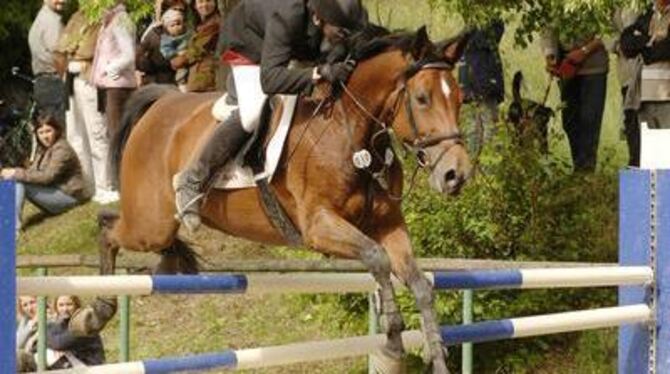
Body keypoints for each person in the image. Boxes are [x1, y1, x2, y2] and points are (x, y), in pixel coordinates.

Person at [173, 0, 369, 232]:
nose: (344, 37)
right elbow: (271, 79)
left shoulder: (336, 17)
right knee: (252, 113)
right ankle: (192, 180)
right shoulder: (287, 16)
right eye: (340, 33)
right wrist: (318, 73)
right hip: (248, 45)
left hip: (291, 43)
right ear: (318, 19)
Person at [57, 9, 118, 204]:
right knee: (77, 135)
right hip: (72, 79)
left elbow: (95, 50)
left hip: (89, 78)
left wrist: (76, 57)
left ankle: (104, 185)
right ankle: (88, 186)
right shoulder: (77, 16)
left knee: (97, 132)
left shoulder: (106, 16)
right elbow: (61, 50)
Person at [0, 115, 91, 231]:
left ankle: (12, 227)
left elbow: (48, 177)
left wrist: (16, 172)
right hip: (53, 193)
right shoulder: (42, 150)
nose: (45, 136)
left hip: (69, 198)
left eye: (48, 131)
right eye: (41, 133)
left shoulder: (62, 148)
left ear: (57, 131)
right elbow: (32, 173)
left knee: (19, 180)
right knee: (14, 180)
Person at [542, 28, 609, 172]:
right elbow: (548, 27)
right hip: (567, 66)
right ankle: (579, 167)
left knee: (589, 120)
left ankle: (586, 171)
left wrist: (584, 51)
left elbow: (607, 30)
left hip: (593, 68)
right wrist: (550, 54)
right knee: (569, 121)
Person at [91, 0, 137, 143]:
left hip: (118, 87)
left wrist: (109, 68)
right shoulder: (109, 20)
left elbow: (129, 55)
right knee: (112, 135)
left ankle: (121, 165)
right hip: (109, 85)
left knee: (118, 137)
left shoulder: (120, 20)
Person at [621, 0, 670, 134]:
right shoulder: (647, 14)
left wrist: (645, 50)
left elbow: (667, 49)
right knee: (652, 152)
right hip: (644, 97)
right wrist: (650, 40)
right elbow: (626, 44)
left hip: (666, 97)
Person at [458, 20, 505, 158]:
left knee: (487, 129)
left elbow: (492, 36)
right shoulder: (472, 21)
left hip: (485, 81)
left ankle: (488, 167)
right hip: (473, 82)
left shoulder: (490, 20)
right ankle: (476, 168)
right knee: (474, 130)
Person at [28, 0, 68, 128]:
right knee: (61, 131)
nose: (63, 1)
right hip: (54, 83)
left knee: (51, 132)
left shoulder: (40, 19)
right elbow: (58, 57)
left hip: (43, 83)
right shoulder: (52, 21)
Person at [612, 8, 642, 167]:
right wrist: (618, 46)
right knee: (631, 121)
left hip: (653, 75)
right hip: (627, 74)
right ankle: (635, 164)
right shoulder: (611, 6)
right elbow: (606, 31)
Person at [170, 0, 221, 92]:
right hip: (199, 74)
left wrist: (178, 61)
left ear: (215, 3)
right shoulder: (201, 23)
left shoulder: (214, 24)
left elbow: (197, 50)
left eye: (209, 1)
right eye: (200, 2)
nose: (204, 5)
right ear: (195, 5)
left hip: (207, 77)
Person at [136, 0, 188, 85]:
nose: (177, 12)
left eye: (181, 10)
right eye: (174, 8)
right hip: (156, 81)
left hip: (177, 82)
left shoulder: (187, 31)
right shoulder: (154, 32)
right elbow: (140, 58)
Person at [160, 9, 192, 91]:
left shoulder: (188, 33)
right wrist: (177, 53)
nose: (176, 27)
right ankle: (182, 86)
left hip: (190, 57)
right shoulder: (166, 39)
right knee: (182, 73)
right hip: (178, 59)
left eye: (178, 24)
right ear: (167, 28)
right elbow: (165, 51)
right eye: (172, 25)